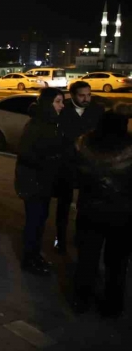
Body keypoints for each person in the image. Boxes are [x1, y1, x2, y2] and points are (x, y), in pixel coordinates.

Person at [73, 105, 132, 316]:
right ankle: (113, 305)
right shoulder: (129, 147)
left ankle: (81, 300)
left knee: (87, 258)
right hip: (122, 215)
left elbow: (76, 174)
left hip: (90, 210)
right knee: (117, 263)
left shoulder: (84, 143)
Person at [14, 88, 65, 276]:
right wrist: (53, 158)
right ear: (48, 103)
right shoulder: (37, 125)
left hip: (43, 182)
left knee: (41, 221)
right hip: (33, 183)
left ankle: (35, 255)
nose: (62, 106)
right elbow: (27, 155)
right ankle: (29, 259)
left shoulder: (51, 123)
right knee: (34, 223)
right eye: (58, 101)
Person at [54, 80, 104, 254]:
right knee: (64, 204)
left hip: (88, 166)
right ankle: (59, 239)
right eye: (82, 95)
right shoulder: (63, 110)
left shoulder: (97, 110)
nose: (86, 98)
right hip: (67, 165)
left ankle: (80, 238)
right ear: (73, 95)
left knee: (85, 204)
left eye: (88, 94)